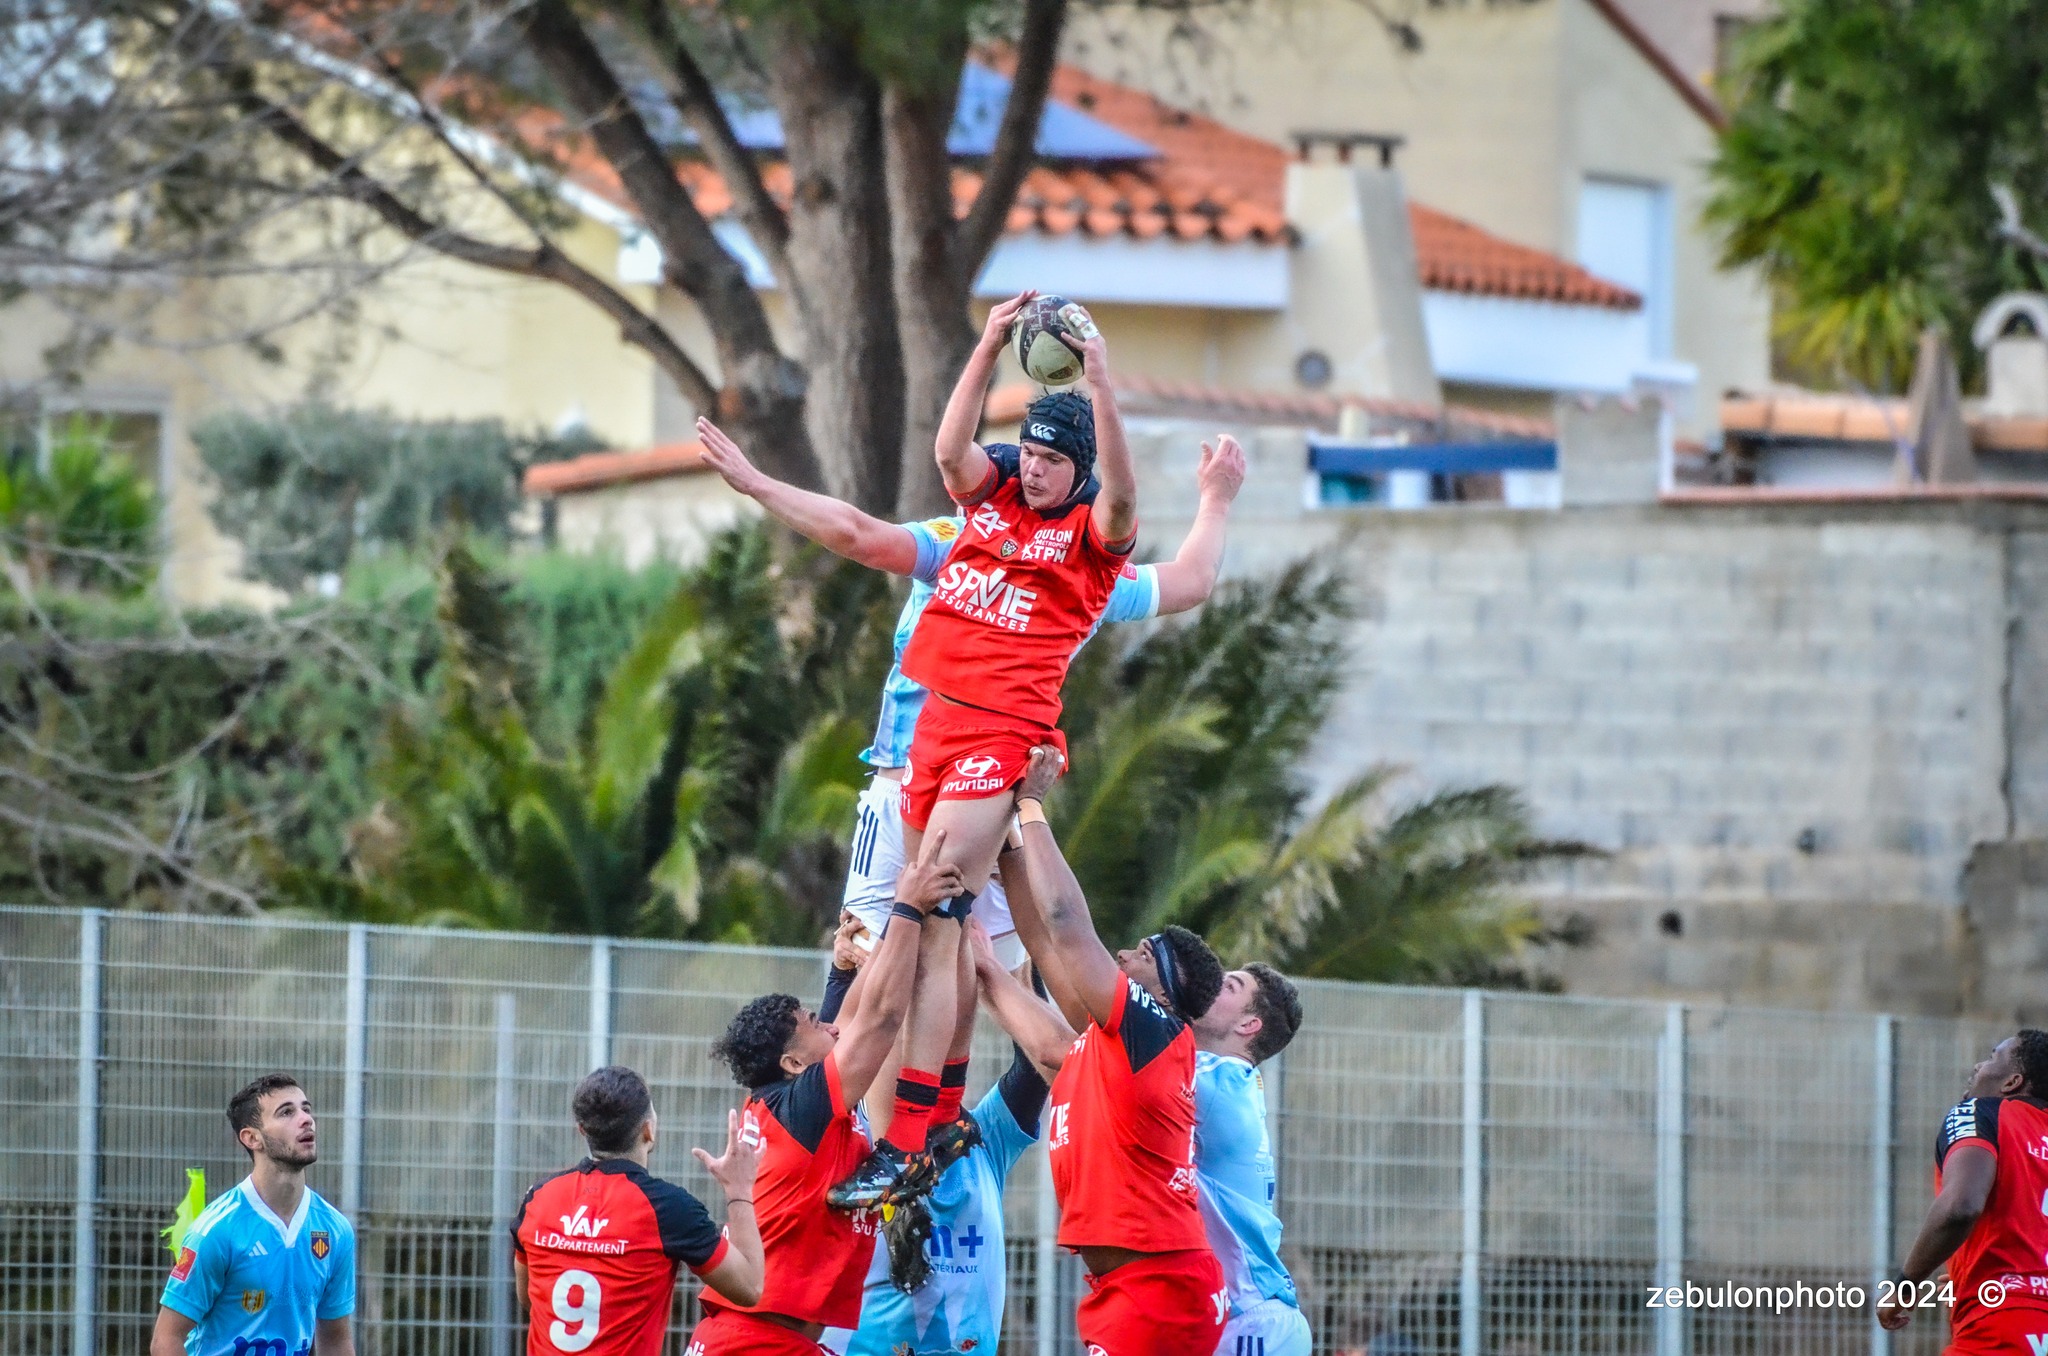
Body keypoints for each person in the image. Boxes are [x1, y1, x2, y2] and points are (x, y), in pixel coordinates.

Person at [694, 413, 1247, 975]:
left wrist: (755, 482)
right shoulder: (999, 549)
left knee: (914, 966)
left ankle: (990, 1063)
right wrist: (1216, 500)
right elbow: (1192, 580)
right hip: (971, 791)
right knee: (963, 968)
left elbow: (856, 534)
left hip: (945, 785)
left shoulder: (1060, 562)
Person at [689, 831, 962, 1355]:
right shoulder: (802, 1106)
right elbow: (879, 1019)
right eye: (815, 1023)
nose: (831, 1028)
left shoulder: (787, 1101)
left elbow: (856, 1013)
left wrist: (885, 934)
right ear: (793, 1062)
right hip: (759, 1341)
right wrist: (907, 906)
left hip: (758, 1336)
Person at [1002, 744, 1231, 1356]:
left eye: (1143, 952)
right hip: (1139, 1281)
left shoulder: (1155, 1030)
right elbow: (1045, 944)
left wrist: (1030, 804)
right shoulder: (1118, 1040)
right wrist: (1003, 848)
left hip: (1157, 1286)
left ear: (1165, 990)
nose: (1125, 955)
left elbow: (1067, 924)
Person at [827, 919, 1077, 1356]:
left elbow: (1038, 1066)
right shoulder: (862, 1137)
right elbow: (837, 1051)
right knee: (934, 937)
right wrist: (846, 972)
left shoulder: (984, 1140)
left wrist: (1005, 966)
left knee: (945, 930)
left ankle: (944, 913)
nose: (931, 1048)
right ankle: (933, 913)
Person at [511, 1065, 764, 1355]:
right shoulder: (667, 1208)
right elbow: (750, 1288)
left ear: (582, 1129)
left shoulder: (538, 1198)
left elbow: (530, 1297)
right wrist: (739, 1190)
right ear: (648, 1129)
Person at [152, 1074, 356, 1356]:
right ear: (251, 1138)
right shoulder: (216, 1231)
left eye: (306, 1109)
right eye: (287, 1112)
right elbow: (166, 1340)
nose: (306, 1119)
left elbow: (335, 1341)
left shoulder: (335, 1230)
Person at [1878, 1029, 2048, 1352]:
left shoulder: (1981, 1112)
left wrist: (1906, 1284)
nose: (1977, 1066)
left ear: (2012, 1082)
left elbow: (1960, 1207)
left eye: (1992, 1057)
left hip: (2003, 1328)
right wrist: (1973, 1275)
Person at [1191, 963, 1310, 1356]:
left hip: (1252, 1321)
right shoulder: (1230, 1080)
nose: (1211, 984)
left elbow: (1075, 1048)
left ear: (1248, 1025)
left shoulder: (1215, 1079)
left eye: (1228, 986)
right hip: (1243, 1316)